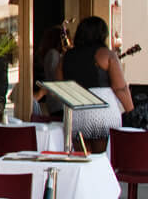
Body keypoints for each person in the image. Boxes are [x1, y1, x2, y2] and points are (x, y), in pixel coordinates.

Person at [57, 16, 136, 149]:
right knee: (102, 157)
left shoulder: (66, 57)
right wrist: (132, 112)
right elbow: (120, 88)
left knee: (81, 156)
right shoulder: (106, 54)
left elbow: (60, 86)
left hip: (76, 112)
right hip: (102, 110)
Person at [34, 25, 70, 118]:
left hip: (56, 101)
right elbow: (55, 76)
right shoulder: (53, 54)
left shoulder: (53, 54)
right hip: (58, 101)